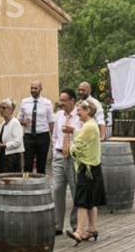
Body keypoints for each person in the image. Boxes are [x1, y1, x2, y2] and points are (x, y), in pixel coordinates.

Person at [69, 99, 106, 243]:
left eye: (79, 110)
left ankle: (79, 231)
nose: (77, 112)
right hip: (94, 168)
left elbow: (77, 146)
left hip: (87, 169)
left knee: (82, 202)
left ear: (88, 111)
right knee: (91, 201)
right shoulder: (90, 125)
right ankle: (91, 229)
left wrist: (72, 148)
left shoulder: (89, 127)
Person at [50, 88, 82, 236]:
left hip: (73, 156)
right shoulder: (58, 116)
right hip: (58, 156)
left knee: (75, 189)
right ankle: (57, 225)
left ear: (72, 101)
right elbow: (55, 135)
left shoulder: (80, 116)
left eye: (64, 100)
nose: (61, 103)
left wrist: (73, 132)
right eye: (60, 100)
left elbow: (83, 136)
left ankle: (76, 224)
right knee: (57, 189)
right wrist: (55, 151)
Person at [20, 81, 55, 174]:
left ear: (41, 89)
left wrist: (54, 139)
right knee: (27, 164)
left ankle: (41, 186)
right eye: (31, 88)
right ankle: (27, 184)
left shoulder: (47, 103)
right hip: (28, 136)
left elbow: (51, 122)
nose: (33, 90)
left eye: (35, 88)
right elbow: (19, 119)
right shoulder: (24, 102)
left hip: (42, 136)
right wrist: (23, 122)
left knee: (41, 165)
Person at [0, 98, 24, 173]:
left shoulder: (15, 123)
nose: (1, 110)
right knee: (3, 178)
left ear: (11, 110)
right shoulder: (2, 124)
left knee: (11, 179)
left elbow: (18, 142)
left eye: (4, 108)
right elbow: (5, 138)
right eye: (0, 107)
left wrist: (3, 145)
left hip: (13, 157)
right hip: (3, 156)